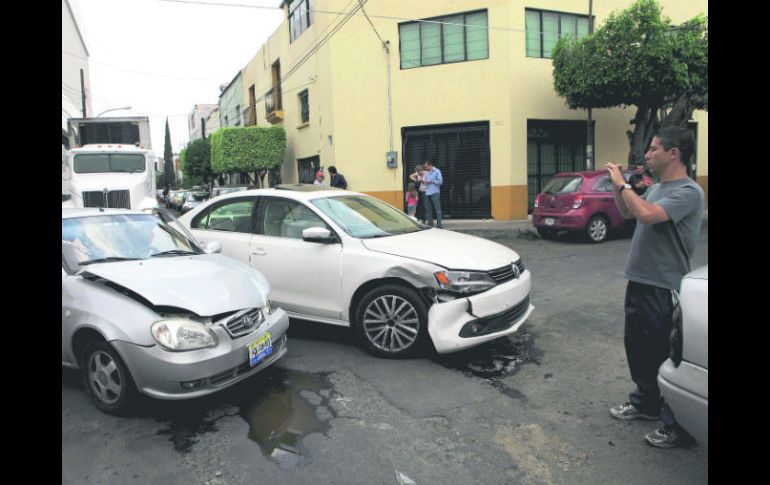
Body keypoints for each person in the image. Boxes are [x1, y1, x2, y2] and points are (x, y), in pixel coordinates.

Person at [605, 126, 704, 449]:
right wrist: (618, 187)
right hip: (640, 280)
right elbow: (627, 212)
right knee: (639, 349)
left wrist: (623, 184)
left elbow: (647, 216)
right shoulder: (658, 187)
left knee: (664, 355)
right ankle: (646, 403)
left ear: (673, 153)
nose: (646, 155)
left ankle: (679, 426)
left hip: (663, 285)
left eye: (653, 149)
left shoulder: (688, 192)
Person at [422, 160, 443, 228]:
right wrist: (424, 181)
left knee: (438, 209)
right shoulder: (426, 173)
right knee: (429, 210)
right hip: (427, 193)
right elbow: (425, 181)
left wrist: (432, 181)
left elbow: (440, 182)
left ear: (430, 165)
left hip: (435, 192)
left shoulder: (437, 171)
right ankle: (429, 224)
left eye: (426, 166)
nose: (426, 168)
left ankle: (439, 225)